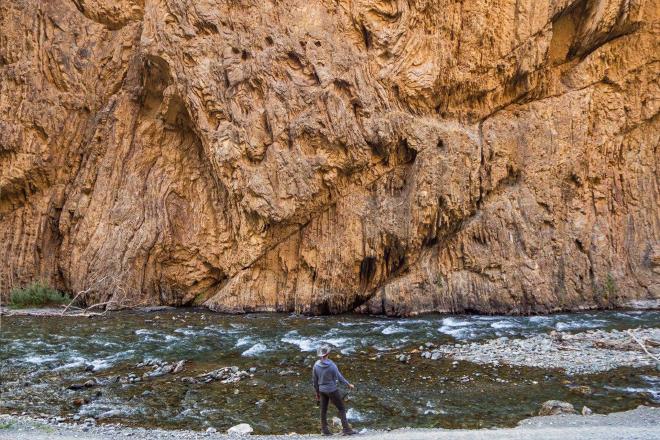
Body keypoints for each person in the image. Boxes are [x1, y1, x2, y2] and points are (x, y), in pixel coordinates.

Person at [312, 344, 356, 436]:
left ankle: (324, 430)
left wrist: (317, 393)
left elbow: (315, 381)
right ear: (328, 354)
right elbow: (340, 378)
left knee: (323, 410)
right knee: (341, 408)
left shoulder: (316, 365)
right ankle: (346, 429)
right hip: (332, 390)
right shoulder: (332, 365)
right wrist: (348, 384)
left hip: (321, 390)